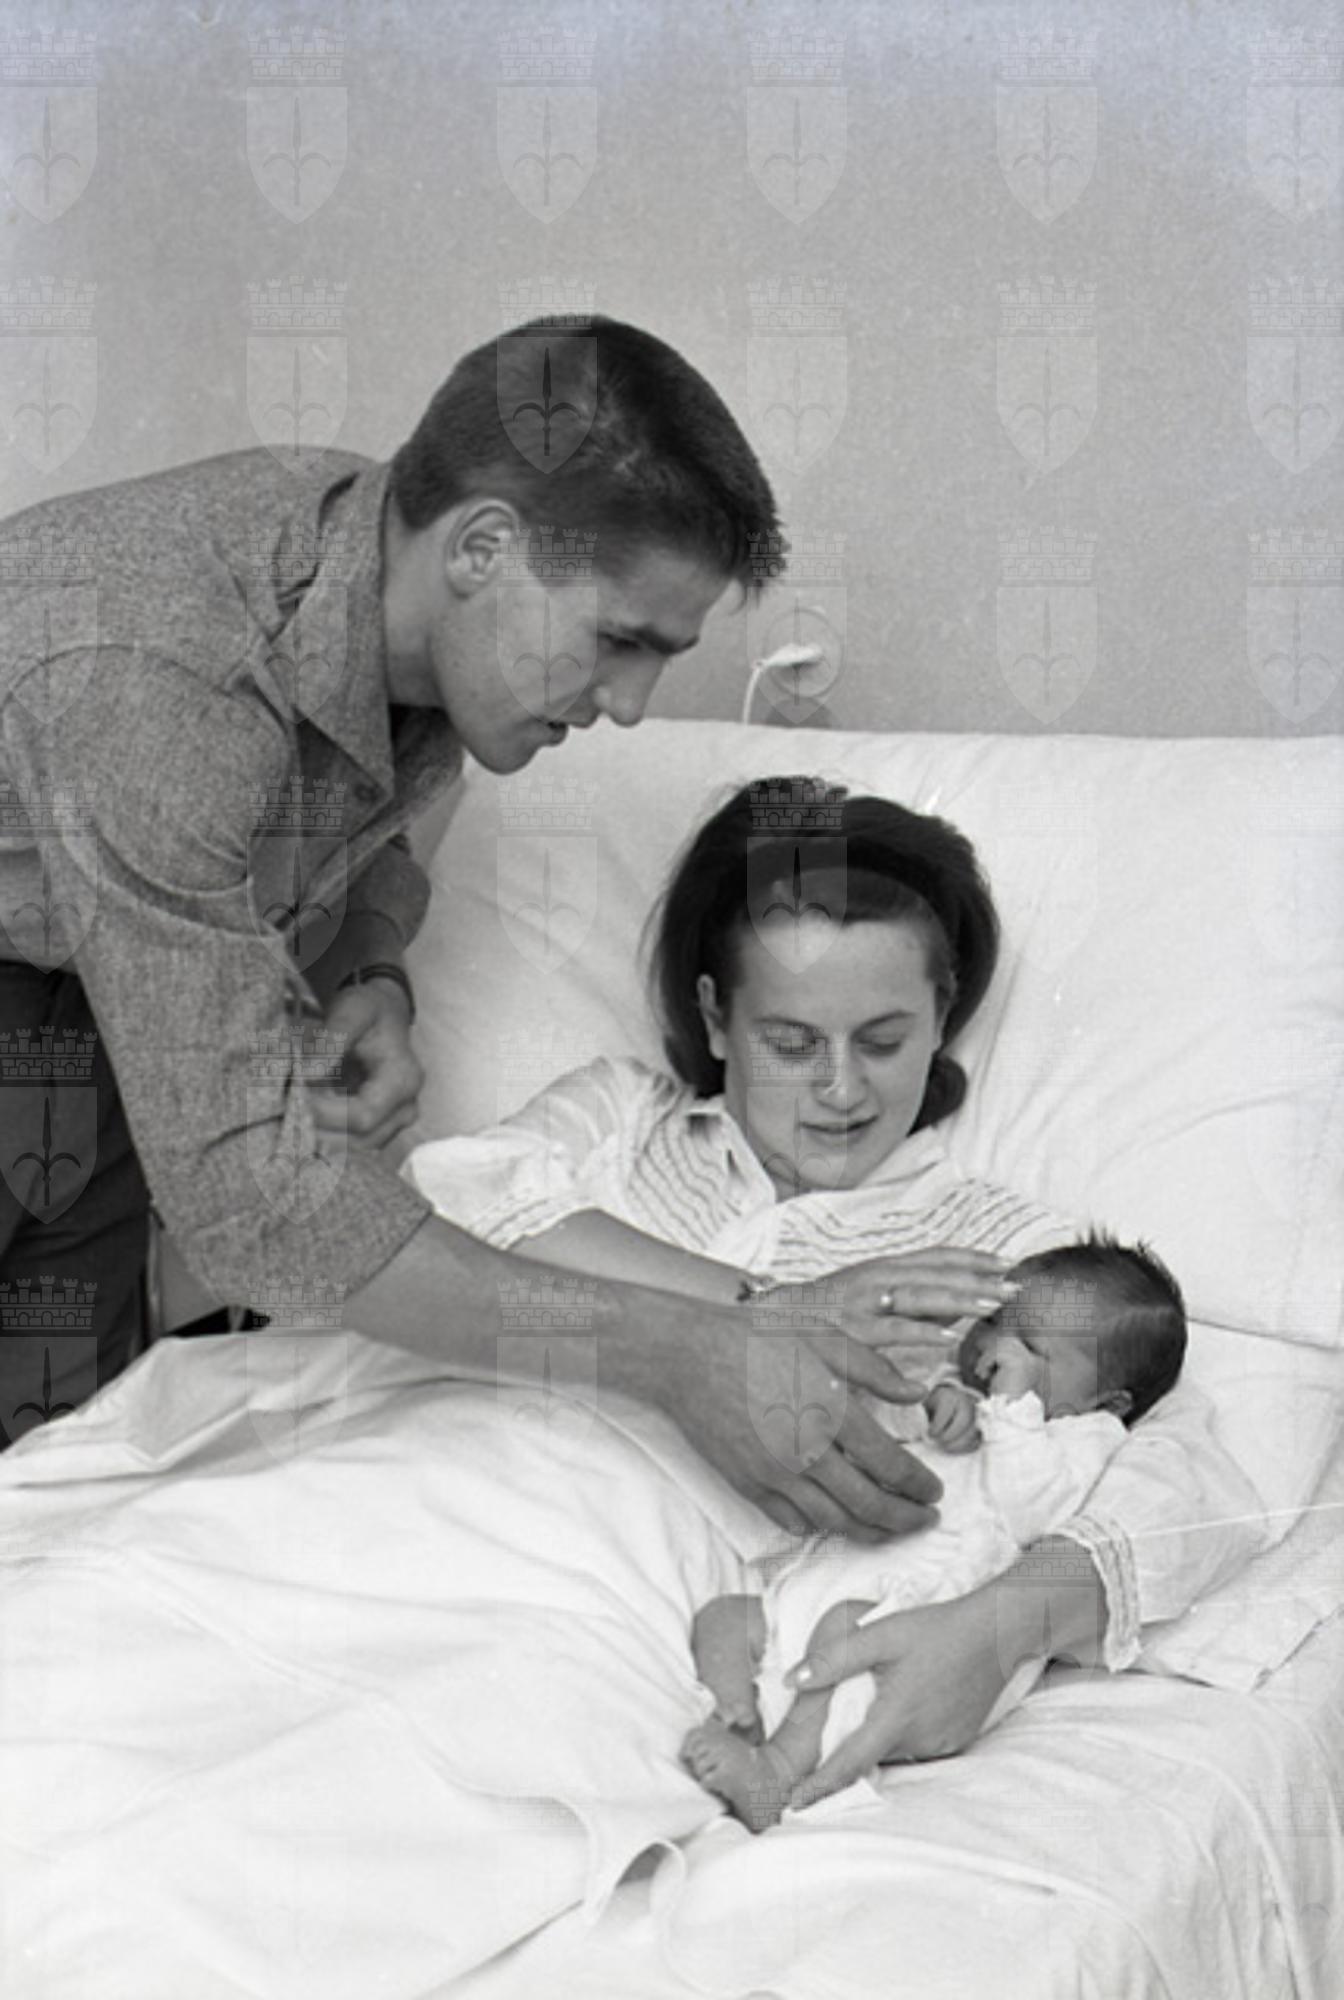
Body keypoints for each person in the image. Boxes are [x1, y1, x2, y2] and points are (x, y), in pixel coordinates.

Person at [0, 319, 999, 1539]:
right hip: (61, 968)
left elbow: (369, 811)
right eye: (619, 642)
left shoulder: (393, 584)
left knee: (45, 1482)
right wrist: (681, 1350)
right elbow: (261, 1213)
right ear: (482, 546)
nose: (630, 705)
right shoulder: (164, 678)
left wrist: (375, 968)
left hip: (90, 1005)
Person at [405, 774, 1253, 1792]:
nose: (843, 1089)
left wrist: (994, 1629)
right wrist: (770, 1307)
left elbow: (1189, 1472)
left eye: (884, 1040)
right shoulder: (616, 1119)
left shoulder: (1003, 1257)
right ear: (717, 1017)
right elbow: (433, 1211)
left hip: (650, 1607)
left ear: (941, 1015)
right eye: (792, 1043)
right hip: (425, 1487)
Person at [681, 1234, 1187, 1830]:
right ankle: (739, 1710)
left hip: (925, 1607)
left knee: (841, 1632)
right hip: (850, 1571)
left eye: (1032, 1349)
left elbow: (1030, 1512)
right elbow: (881, 1430)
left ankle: (777, 1770)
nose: (997, 1348)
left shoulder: (1084, 1438)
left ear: (1108, 1399)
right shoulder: (958, 1386)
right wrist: (934, 1408)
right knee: (726, 1614)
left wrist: (1010, 1412)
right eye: (995, 1322)